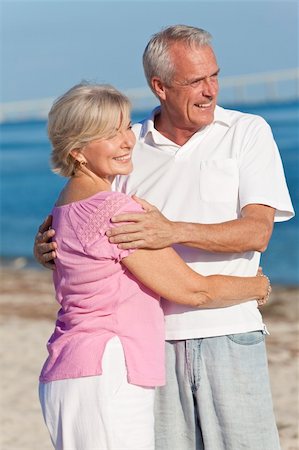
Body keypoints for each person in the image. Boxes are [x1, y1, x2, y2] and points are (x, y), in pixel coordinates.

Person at [34, 26, 294, 450]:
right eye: (195, 81)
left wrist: (172, 230)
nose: (209, 90)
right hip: (151, 345)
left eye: (214, 76)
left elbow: (258, 231)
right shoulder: (127, 147)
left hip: (228, 329)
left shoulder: (247, 131)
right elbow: (84, 219)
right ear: (160, 86)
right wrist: (46, 245)